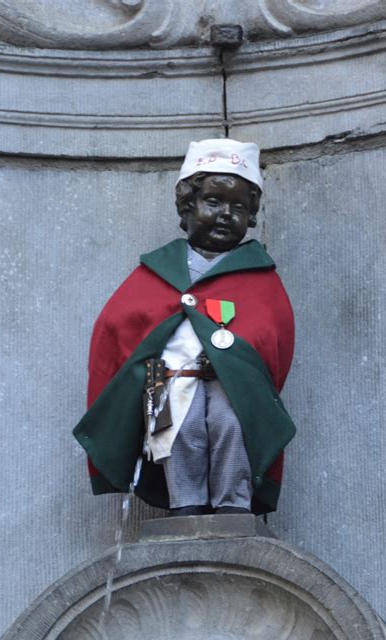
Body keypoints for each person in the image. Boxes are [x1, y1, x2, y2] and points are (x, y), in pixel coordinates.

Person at [73, 138, 296, 516]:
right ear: (187, 207)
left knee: (232, 425)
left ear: (251, 216)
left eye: (238, 207)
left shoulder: (260, 277)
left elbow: (274, 340)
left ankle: (233, 508)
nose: (226, 214)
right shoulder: (154, 273)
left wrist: (236, 359)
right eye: (213, 202)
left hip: (232, 386)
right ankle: (185, 506)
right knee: (178, 432)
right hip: (167, 379)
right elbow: (116, 333)